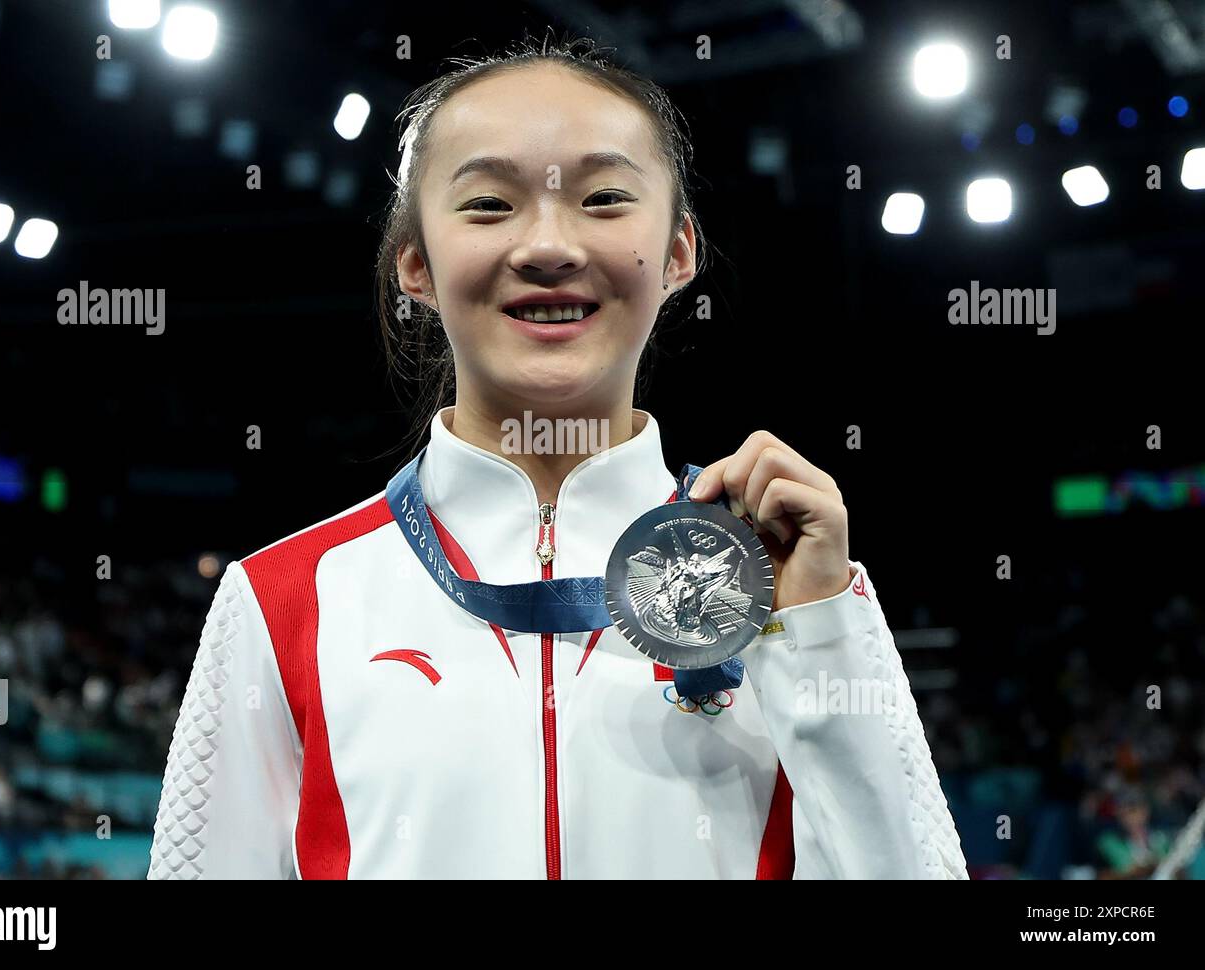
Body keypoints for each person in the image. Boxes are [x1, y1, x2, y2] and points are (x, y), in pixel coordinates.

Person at [149, 34, 966, 880]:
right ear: (418, 267)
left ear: (679, 253)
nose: (548, 246)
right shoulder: (281, 603)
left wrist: (820, 626)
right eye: (489, 205)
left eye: (606, 198)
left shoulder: (779, 580)